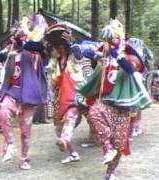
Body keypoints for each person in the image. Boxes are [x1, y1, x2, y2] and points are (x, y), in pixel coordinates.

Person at [78, 19, 153, 180]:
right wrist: (89, 52)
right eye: (109, 38)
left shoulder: (129, 56)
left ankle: (110, 173)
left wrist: (115, 54)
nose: (112, 41)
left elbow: (130, 69)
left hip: (123, 107)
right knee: (94, 114)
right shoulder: (104, 53)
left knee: (119, 143)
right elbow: (86, 51)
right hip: (104, 100)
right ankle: (106, 149)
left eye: (114, 38)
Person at [0, 30, 47, 170]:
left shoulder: (34, 56)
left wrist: (27, 39)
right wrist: (9, 49)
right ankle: (10, 144)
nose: (22, 40)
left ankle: (24, 158)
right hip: (13, 91)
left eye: (24, 37)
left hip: (28, 95)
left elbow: (38, 48)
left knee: (25, 131)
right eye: (19, 37)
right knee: (3, 112)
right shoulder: (11, 55)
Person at [45, 24, 93, 164]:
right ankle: (72, 153)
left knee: (72, 116)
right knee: (59, 127)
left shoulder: (75, 52)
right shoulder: (55, 61)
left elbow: (81, 59)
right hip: (61, 97)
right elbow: (52, 81)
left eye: (62, 45)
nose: (59, 48)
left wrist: (71, 44)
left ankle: (108, 147)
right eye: (57, 46)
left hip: (78, 93)